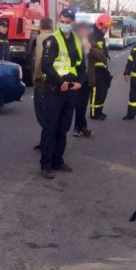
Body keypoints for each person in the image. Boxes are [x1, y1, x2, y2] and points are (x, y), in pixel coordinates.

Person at [39, 9, 86, 179]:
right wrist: (61, 82)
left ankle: (58, 160)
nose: (65, 25)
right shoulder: (53, 40)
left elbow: (81, 67)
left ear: (73, 23)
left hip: (70, 91)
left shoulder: (77, 42)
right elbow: (46, 65)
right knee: (50, 128)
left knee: (63, 128)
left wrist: (80, 82)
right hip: (54, 89)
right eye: (62, 21)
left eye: (68, 22)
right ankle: (46, 165)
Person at [32, 18, 53, 150]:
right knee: (51, 113)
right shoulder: (58, 37)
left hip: (43, 81)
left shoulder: (41, 38)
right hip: (56, 81)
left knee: (42, 113)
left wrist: (36, 77)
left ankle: (47, 142)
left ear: (40, 27)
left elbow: (39, 59)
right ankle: (46, 140)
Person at [88, 14, 113, 121]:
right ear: (100, 25)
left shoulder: (99, 36)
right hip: (95, 69)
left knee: (102, 91)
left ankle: (99, 111)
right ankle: (94, 113)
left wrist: (107, 57)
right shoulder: (93, 36)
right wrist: (105, 58)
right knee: (95, 92)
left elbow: (103, 51)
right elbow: (95, 52)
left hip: (102, 69)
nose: (106, 30)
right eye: (105, 28)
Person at [72, 22, 94, 138]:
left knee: (83, 105)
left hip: (87, 79)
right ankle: (79, 127)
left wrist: (91, 49)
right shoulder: (74, 44)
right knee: (77, 105)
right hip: (76, 78)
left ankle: (81, 127)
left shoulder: (91, 43)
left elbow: (103, 56)